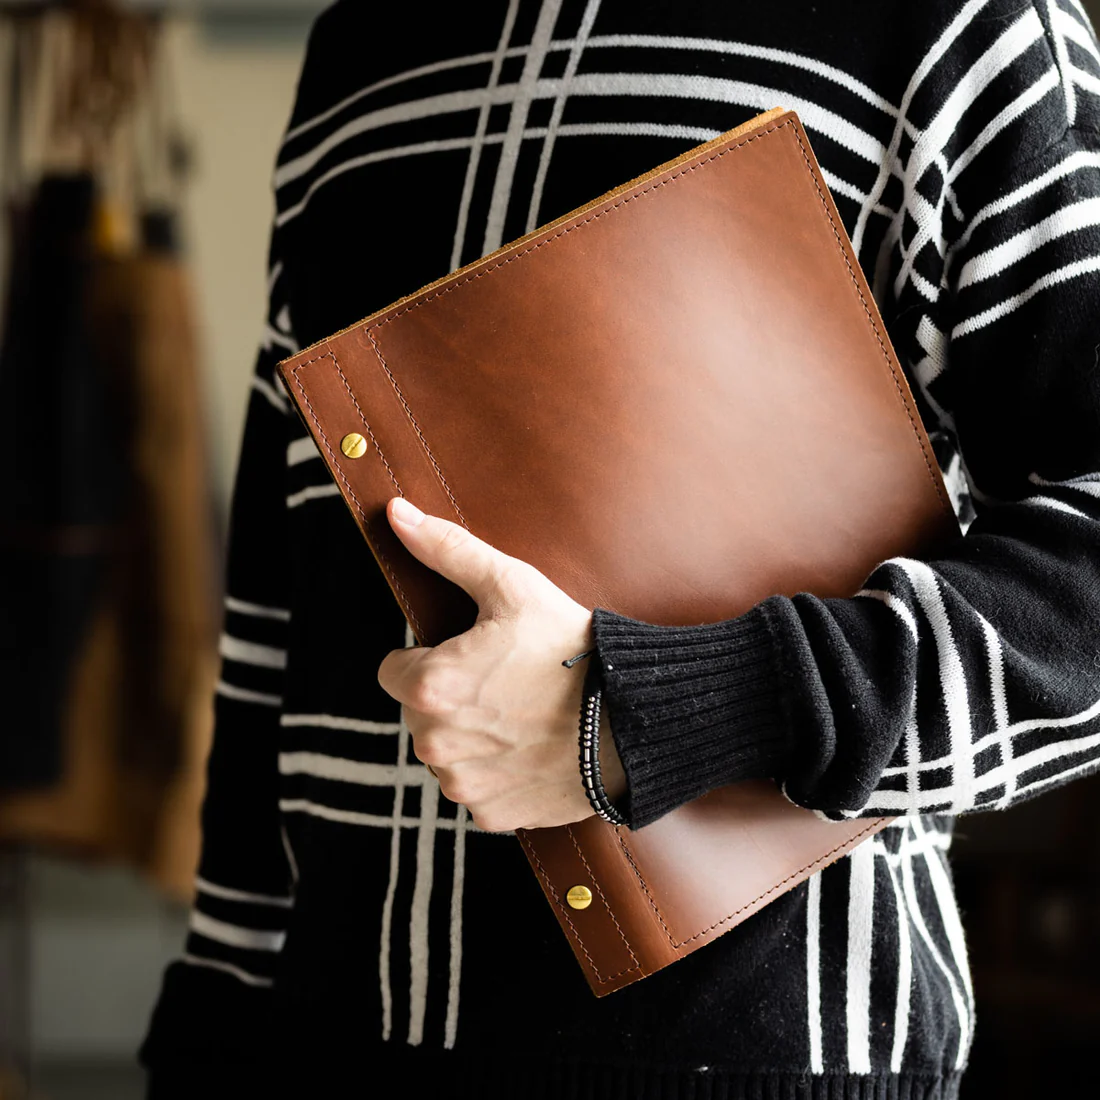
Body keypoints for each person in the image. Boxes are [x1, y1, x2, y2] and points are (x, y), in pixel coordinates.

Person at [142, 1, 1100, 1096]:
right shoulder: (358, 44)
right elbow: (281, 602)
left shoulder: (956, 26)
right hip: (322, 1040)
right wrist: (212, 1014)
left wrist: (651, 713)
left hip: (762, 1054)